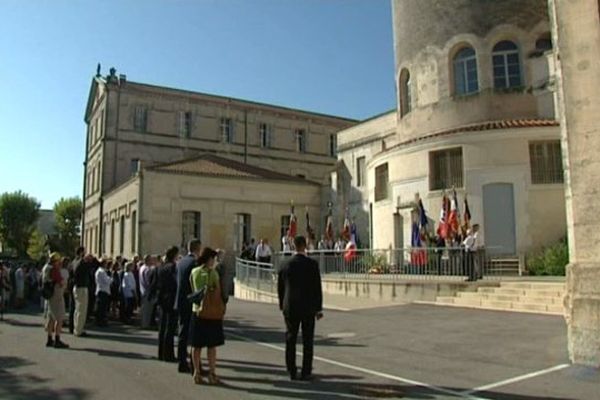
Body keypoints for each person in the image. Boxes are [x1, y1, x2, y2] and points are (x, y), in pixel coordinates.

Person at [277, 235, 323, 381]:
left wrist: (282, 304)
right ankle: (306, 371)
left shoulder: (285, 264)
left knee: (290, 338)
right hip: (308, 307)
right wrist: (318, 308)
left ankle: (291, 370)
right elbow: (317, 288)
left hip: (290, 306)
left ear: (294, 246)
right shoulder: (312, 264)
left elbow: (280, 288)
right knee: (307, 340)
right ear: (305, 246)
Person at [189, 247, 225, 385]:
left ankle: (196, 372)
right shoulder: (213, 273)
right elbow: (218, 291)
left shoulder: (194, 272)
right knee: (211, 346)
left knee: (196, 345)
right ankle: (212, 373)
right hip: (211, 312)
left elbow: (192, 288)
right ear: (209, 259)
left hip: (197, 311)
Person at [175, 239, 202, 373]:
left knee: (182, 332)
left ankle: (181, 361)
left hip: (180, 301)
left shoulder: (181, 262)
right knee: (194, 336)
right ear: (198, 249)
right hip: (191, 302)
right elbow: (196, 284)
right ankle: (195, 365)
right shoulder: (194, 263)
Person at [155, 246, 179, 362]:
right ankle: (168, 354)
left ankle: (161, 353)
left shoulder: (161, 267)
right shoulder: (172, 267)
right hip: (170, 298)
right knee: (169, 328)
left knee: (162, 327)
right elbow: (175, 283)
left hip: (162, 298)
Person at [41, 253, 69, 348]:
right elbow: (60, 282)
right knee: (59, 318)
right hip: (56, 295)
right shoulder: (54, 270)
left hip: (50, 295)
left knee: (51, 317)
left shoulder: (46, 268)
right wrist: (64, 283)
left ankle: (49, 339)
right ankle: (57, 339)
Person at [72, 247, 92, 337]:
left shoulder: (74, 261)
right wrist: (86, 261)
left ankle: (76, 328)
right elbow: (85, 270)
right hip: (81, 287)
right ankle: (79, 330)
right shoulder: (81, 262)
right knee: (81, 310)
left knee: (77, 309)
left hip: (77, 287)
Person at [139, 255, 156, 329]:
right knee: (147, 309)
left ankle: (143, 323)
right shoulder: (147, 269)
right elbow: (149, 281)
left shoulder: (142, 268)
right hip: (147, 291)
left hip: (142, 290)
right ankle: (146, 324)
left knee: (144, 308)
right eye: (151, 260)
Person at [95, 259, 112, 327]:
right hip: (103, 290)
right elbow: (107, 281)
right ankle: (100, 321)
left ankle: (100, 320)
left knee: (102, 307)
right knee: (102, 308)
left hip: (103, 290)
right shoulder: (101, 272)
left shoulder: (100, 271)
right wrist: (111, 279)